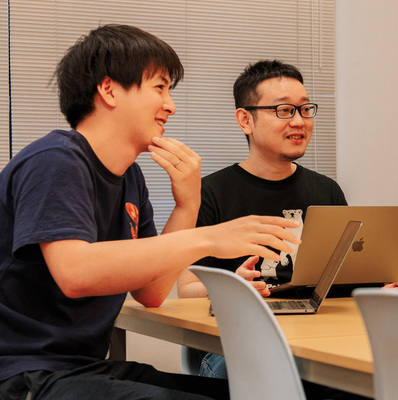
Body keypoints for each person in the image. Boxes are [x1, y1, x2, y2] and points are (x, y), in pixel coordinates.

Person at [0, 25, 301, 399]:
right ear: (108, 90)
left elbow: (153, 291)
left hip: (80, 367)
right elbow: (75, 272)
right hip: (22, 374)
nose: (170, 105)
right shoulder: (56, 160)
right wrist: (209, 236)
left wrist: (187, 204)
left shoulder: (130, 178)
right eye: (160, 87)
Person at [174, 61, 398, 385]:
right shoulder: (209, 193)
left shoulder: (327, 191)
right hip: (243, 338)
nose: (299, 121)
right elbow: (187, 290)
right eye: (284, 110)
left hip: (321, 337)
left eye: (305, 109)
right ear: (245, 120)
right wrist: (235, 287)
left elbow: (342, 281)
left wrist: (379, 285)